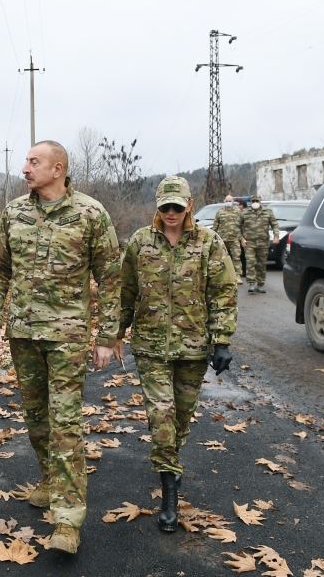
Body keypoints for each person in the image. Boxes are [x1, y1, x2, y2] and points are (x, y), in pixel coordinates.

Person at [0, 140, 121, 555]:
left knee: (66, 424)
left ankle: (68, 519)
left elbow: (110, 277)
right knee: (36, 416)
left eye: (33, 161)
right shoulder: (14, 212)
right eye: (25, 161)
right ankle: (50, 479)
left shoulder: (90, 214)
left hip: (67, 336)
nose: (25, 168)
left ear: (58, 169)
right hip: (23, 332)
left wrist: (109, 336)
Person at [115, 175, 237, 533]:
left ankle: (170, 463)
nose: (171, 214)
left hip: (193, 347)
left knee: (180, 417)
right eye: (165, 207)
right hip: (151, 346)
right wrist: (114, 333)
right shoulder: (140, 242)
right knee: (161, 417)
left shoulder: (208, 243)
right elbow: (126, 290)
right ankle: (169, 490)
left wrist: (222, 340)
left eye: (177, 208)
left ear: (189, 207)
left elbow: (223, 291)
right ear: (157, 206)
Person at [241, 193, 280, 294]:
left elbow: (274, 224)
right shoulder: (245, 213)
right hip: (249, 243)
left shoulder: (267, 212)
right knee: (250, 262)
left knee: (261, 264)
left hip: (263, 243)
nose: (255, 203)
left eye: (257, 201)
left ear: (260, 202)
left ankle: (260, 284)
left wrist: (276, 236)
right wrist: (241, 239)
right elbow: (238, 226)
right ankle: (251, 284)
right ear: (250, 202)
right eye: (253, 201)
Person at [211, 194, 245, 285]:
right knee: (222, 259)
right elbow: (215, 226)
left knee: (236, 258)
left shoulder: (238, 211)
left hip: (235, 239)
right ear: (224, 201)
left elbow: (242, 226)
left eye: (230, 201)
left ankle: (237, 276)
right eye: (227, 201)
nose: (228, 202)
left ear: (233, 202)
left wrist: (243, 238)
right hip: (222, 239)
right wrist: (212, 238)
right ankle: (224, 276)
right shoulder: (220, 212)